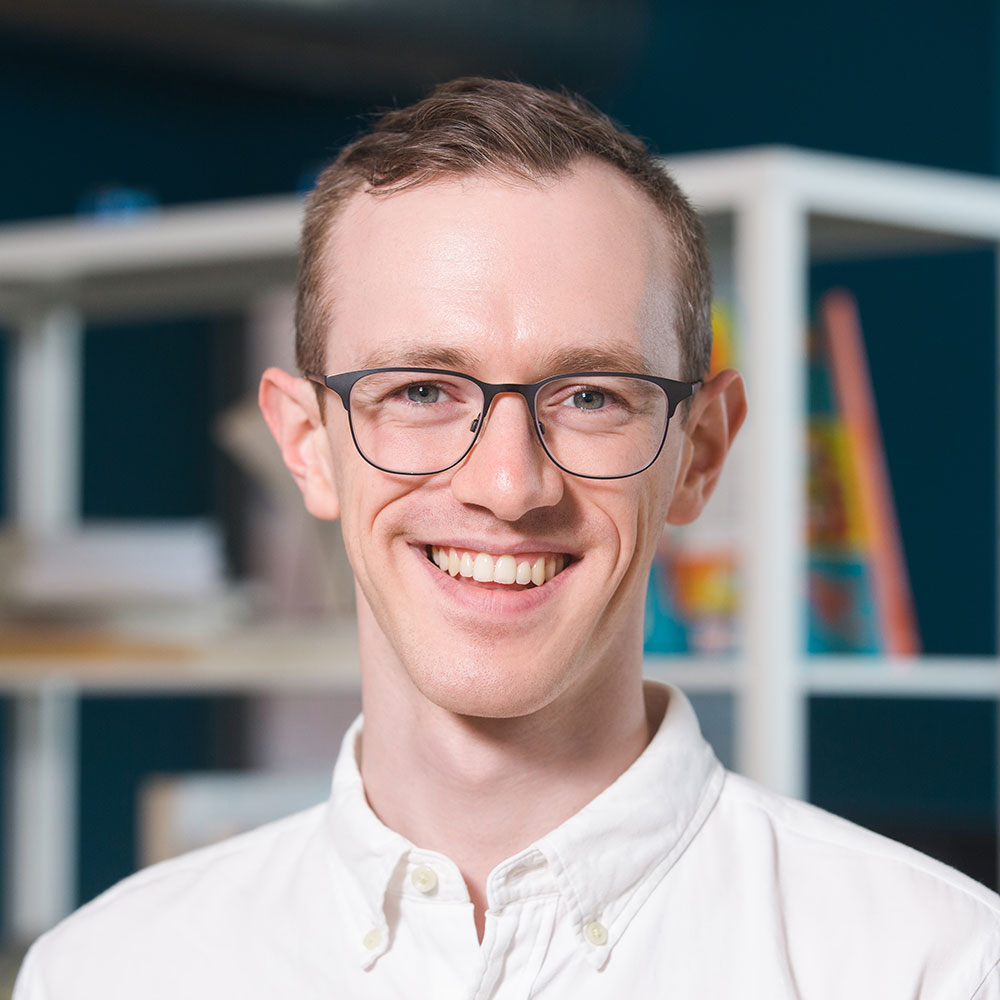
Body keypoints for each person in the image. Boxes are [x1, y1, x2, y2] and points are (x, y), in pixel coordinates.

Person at [14, 77, 1000, 999]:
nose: (507, 485)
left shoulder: (933, 966)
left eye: (590, 395)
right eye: (422, 390)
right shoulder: (108, 974)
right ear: (307, 447)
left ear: (698, 452)